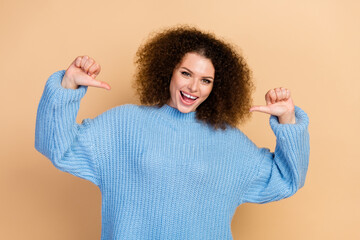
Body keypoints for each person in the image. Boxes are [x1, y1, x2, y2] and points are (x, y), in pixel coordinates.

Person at [35, 26, 309, 239]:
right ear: (169, 71)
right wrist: (68, 86)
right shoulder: (125, 123)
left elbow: (286, 179)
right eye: (186, 73)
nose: (193, 88)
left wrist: (287, 120)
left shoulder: (230, 142)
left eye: (206, 80)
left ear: (216, 87)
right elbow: (58, 146)